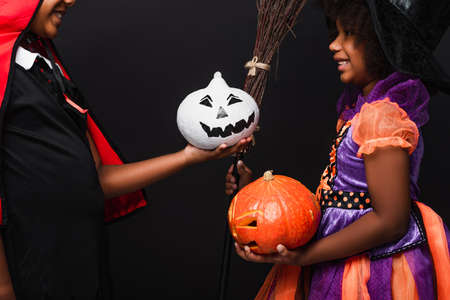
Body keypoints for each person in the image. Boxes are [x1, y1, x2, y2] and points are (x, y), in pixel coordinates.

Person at [0, 0, 252, 299]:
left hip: (82, 268)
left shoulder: (45, 69)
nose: (70, 0)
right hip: (30, 274)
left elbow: (96, 179)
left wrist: (189, 156)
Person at [225, 0, 450, 298]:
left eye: (350, 35)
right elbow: (338, 196)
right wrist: (254, 194)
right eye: (336, 33)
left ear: (383, 45)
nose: (334, 45)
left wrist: (306, 256)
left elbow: (391, 221)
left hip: (370, 269)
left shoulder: (382, 118)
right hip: (337, 252)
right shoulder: (360, 112)